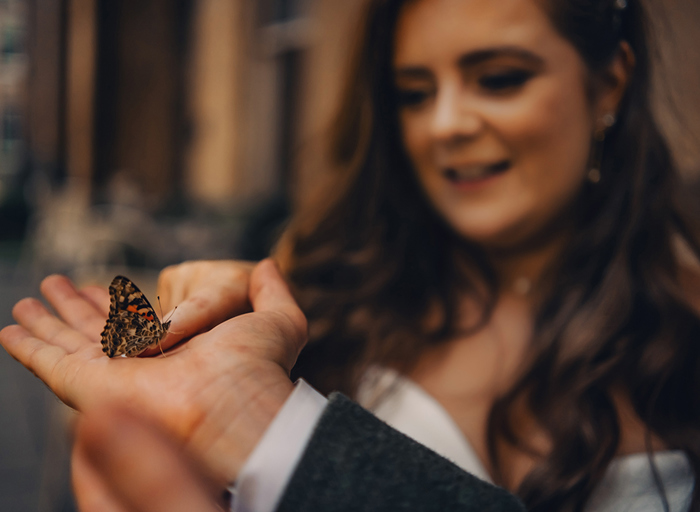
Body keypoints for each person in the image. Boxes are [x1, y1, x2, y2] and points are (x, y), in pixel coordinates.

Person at [2, 0, 699, 510]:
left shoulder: (686, 327)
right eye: (413, 94)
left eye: (500, 78)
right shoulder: (321, 297)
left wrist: (271, 432)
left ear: (608, 83)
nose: (446, 125)